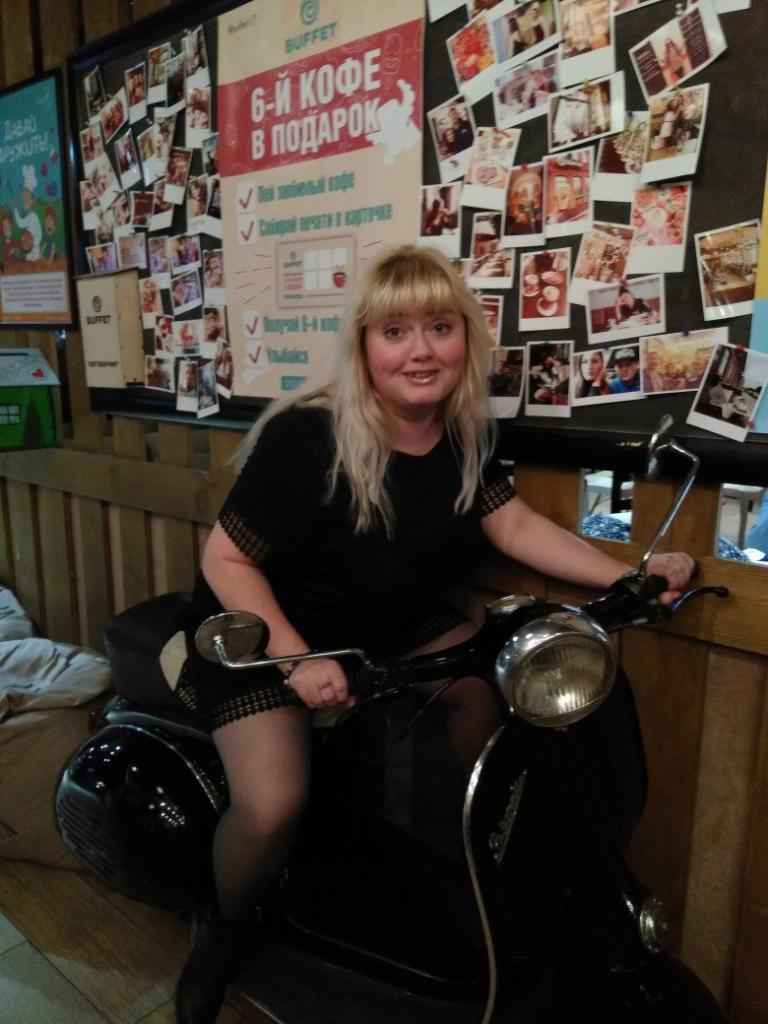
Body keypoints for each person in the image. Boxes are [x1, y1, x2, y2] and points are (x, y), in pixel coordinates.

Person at [172, 245, 695, 1024]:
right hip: (261, 632)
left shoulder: (463, 433)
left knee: (486, 695)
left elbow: (513, 525)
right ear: (364, 345)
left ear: (465, 340)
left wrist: (628, 577)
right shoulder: (310, 436)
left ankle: (463, 871)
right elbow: (226, 558)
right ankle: (221, 925)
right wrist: (292, 659)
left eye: (440, 329)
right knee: (274, 801)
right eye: (396, 332)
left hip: (380, 626)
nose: (421, 351)